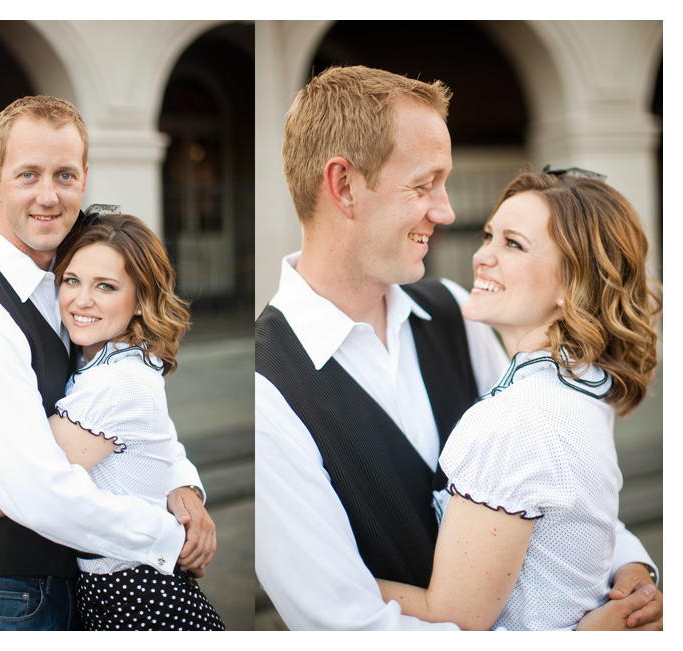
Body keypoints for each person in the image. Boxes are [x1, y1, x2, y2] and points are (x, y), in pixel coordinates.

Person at [255, 65, 663, 631]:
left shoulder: (453, 310)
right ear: (343, 186)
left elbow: (548, 484)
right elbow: (344, 623)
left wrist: (631, 568)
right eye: (425, 185)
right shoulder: (267, 387)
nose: (446, 212)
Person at [0, 96, 215, 631]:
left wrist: (183, 484)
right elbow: (28, 491)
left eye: (65, 175)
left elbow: (134, 409)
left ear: (84, 178)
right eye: (28, 174)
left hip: (60, 585)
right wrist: (166, 535)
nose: (49, 196)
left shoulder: (69, 278)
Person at [374, 169, 661, 630]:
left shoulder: (512, 423)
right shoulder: (586, 382)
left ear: (572, 284)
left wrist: (328, 575)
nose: (482, 255)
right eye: (489, 235)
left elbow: (452, 619)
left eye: (513, 244)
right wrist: (636, 570)